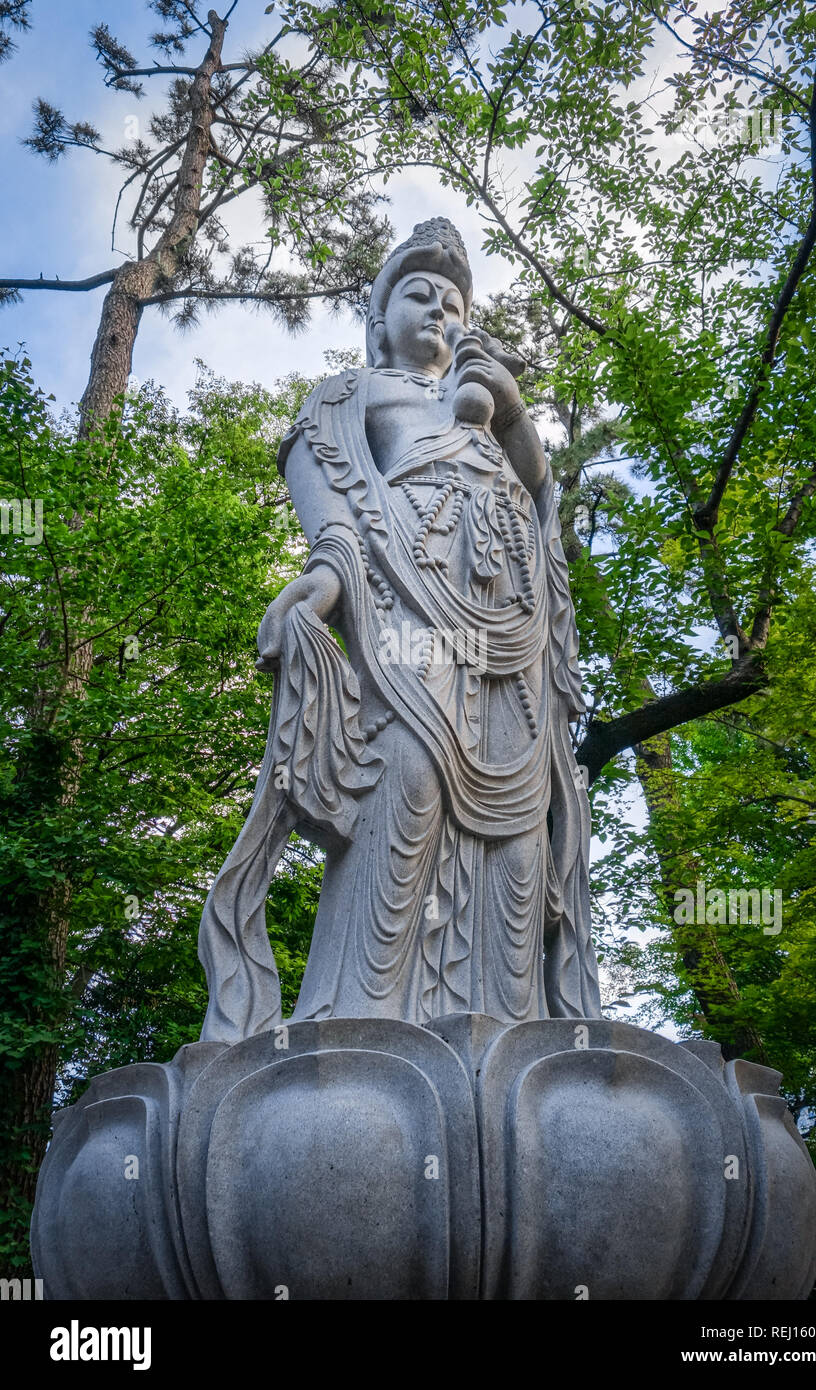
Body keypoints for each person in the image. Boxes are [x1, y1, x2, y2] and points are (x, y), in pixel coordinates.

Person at [198, 218, 600, 1044]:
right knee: (408, 778)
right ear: (378, 318)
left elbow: (542, 505)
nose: (440, 312)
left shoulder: (486, 410)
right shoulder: (352, 398)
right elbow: (335, 518)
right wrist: (322, 580)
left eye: (454, 302)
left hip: (507, 629)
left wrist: (516, 414)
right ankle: (357, 1032)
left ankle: (515, 1038)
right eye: (418, 294)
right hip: (407, 608)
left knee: (523, 841)